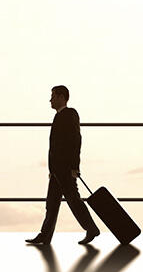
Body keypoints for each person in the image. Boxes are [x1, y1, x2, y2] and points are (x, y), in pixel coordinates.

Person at [28, 85, 101, 245]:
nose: (50, 100)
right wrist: (51, 169)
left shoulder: (70, 114)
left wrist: (74, 167)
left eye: (53, 96)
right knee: (52, 204)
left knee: (73, 201)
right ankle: (45, 235)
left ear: (62, 97)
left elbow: (76, 141)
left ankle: (91, 228)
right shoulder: (60, 116)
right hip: (57, 170)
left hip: (65, 169)